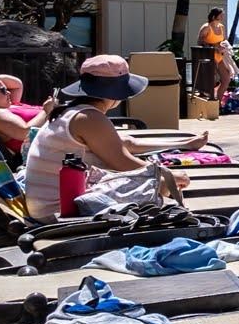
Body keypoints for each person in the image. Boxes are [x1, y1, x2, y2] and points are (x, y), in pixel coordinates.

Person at [22, 56, 199, 215]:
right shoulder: (90, 118)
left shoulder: (70, 112)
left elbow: (123, 146)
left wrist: (184, 144)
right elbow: (123, 163)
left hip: (44, 206)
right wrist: (168, 175)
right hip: (60, 211)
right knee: (163, 184)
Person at [196, 9, 237, 99]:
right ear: (214, 16)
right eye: (221, 15)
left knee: (226, 80)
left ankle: (218, 102)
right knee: (212, 80)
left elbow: (223, 41)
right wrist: (214, 47)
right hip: (209, 57)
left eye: (223, 15)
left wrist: (223, 46)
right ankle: (211, 100)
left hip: (220, 57)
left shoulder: (222, 27)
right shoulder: (206, 27)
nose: (223, 17)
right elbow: (200, 41)